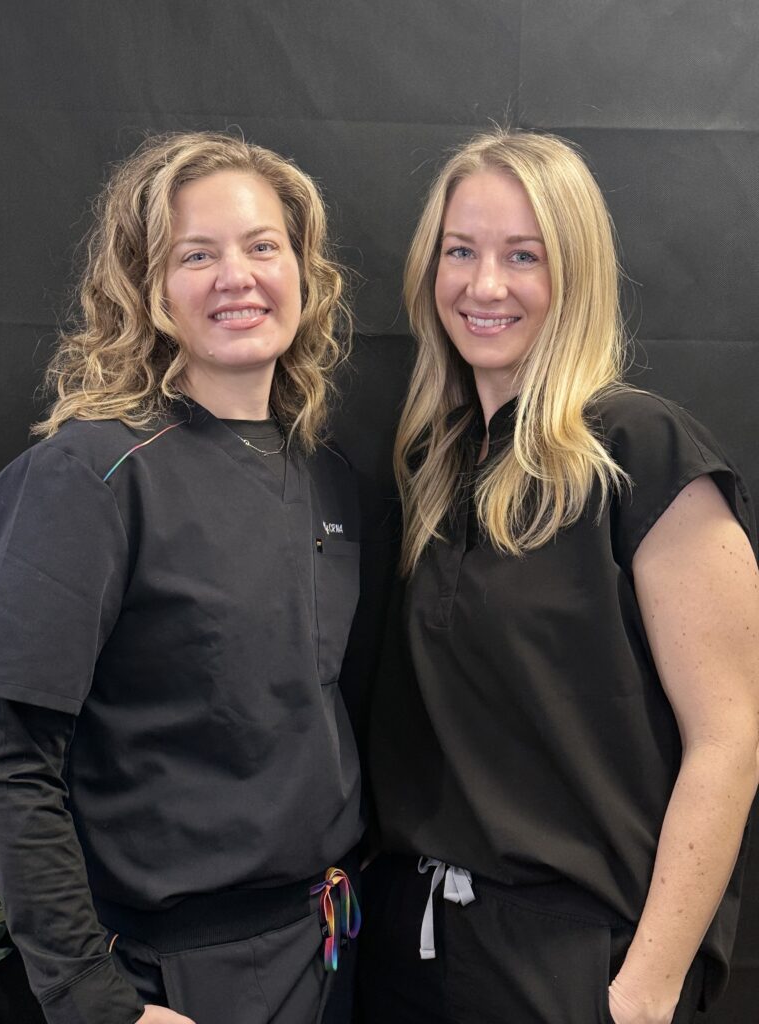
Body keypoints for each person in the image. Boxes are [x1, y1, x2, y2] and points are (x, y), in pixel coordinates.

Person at [359, 129, 759, 1024]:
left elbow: (732, 739)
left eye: (522, 256)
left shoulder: (641, 451)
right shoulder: (436, 465)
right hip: (416, 952)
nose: (484, 285)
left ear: (573, 274)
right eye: (460, 251)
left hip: (573, 964)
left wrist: (644, 991)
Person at [0, 132, 362, 1024]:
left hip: (326, 947)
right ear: (149, 288)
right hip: (169, 979)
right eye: (197, 255)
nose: (237, 277)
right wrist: (93, 1000)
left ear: (303, 271)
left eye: (262, 246)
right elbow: (8, 755)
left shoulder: (330, 478)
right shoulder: (93, 474)